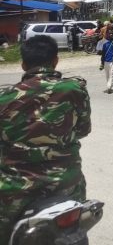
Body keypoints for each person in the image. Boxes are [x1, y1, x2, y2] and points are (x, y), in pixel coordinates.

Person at [0, 35, 91, 244]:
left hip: (14, 191)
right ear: (56, 60)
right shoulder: (74, 89)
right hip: (67, 183)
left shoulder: (4, 98)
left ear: (23, 65)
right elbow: (84, 129)